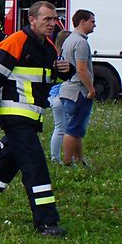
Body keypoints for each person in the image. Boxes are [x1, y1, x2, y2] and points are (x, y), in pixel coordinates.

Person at [0, 0, 72, 237]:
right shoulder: (14, 43)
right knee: (35, 166)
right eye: (47, 19)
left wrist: (66, 70)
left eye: (54, 19)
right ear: (32, 20)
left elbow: (48, 79)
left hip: (31, 116)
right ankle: (46, 222)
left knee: (7, 163)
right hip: (15, 116)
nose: (53, 23)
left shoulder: (48, 47)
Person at [59, 10, 97, 166]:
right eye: (92, 21)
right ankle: (68, 163)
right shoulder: (81, 43)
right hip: (78, 91)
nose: (95, 25)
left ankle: (79, 161)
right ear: (82, 21)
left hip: (68, 89)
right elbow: (81, 69)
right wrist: (91, 89)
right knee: (73, 129)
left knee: (77, 130)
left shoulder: (69, 39)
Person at [47, 28, 73, 164]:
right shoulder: (67, 59)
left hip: (53, 95)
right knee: (67, 129)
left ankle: (55, 158)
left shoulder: (53, 57)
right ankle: (65, 158)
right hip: (64, 95)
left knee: (59, 128)